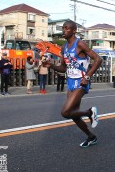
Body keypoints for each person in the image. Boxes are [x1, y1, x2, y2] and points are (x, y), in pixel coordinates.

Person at [43, 20, 102, 148]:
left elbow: (98, 59)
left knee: (65, 112)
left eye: (67, 28)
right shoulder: (63, 48)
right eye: (63, 28)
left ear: (74, 30)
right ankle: (91, 137)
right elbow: (64, 68)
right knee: (73, 115)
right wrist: (51, 65)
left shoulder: (80, 44)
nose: (63, 30)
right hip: (69, 82)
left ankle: (89, 113)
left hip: (80, 82)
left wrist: (87, 76)